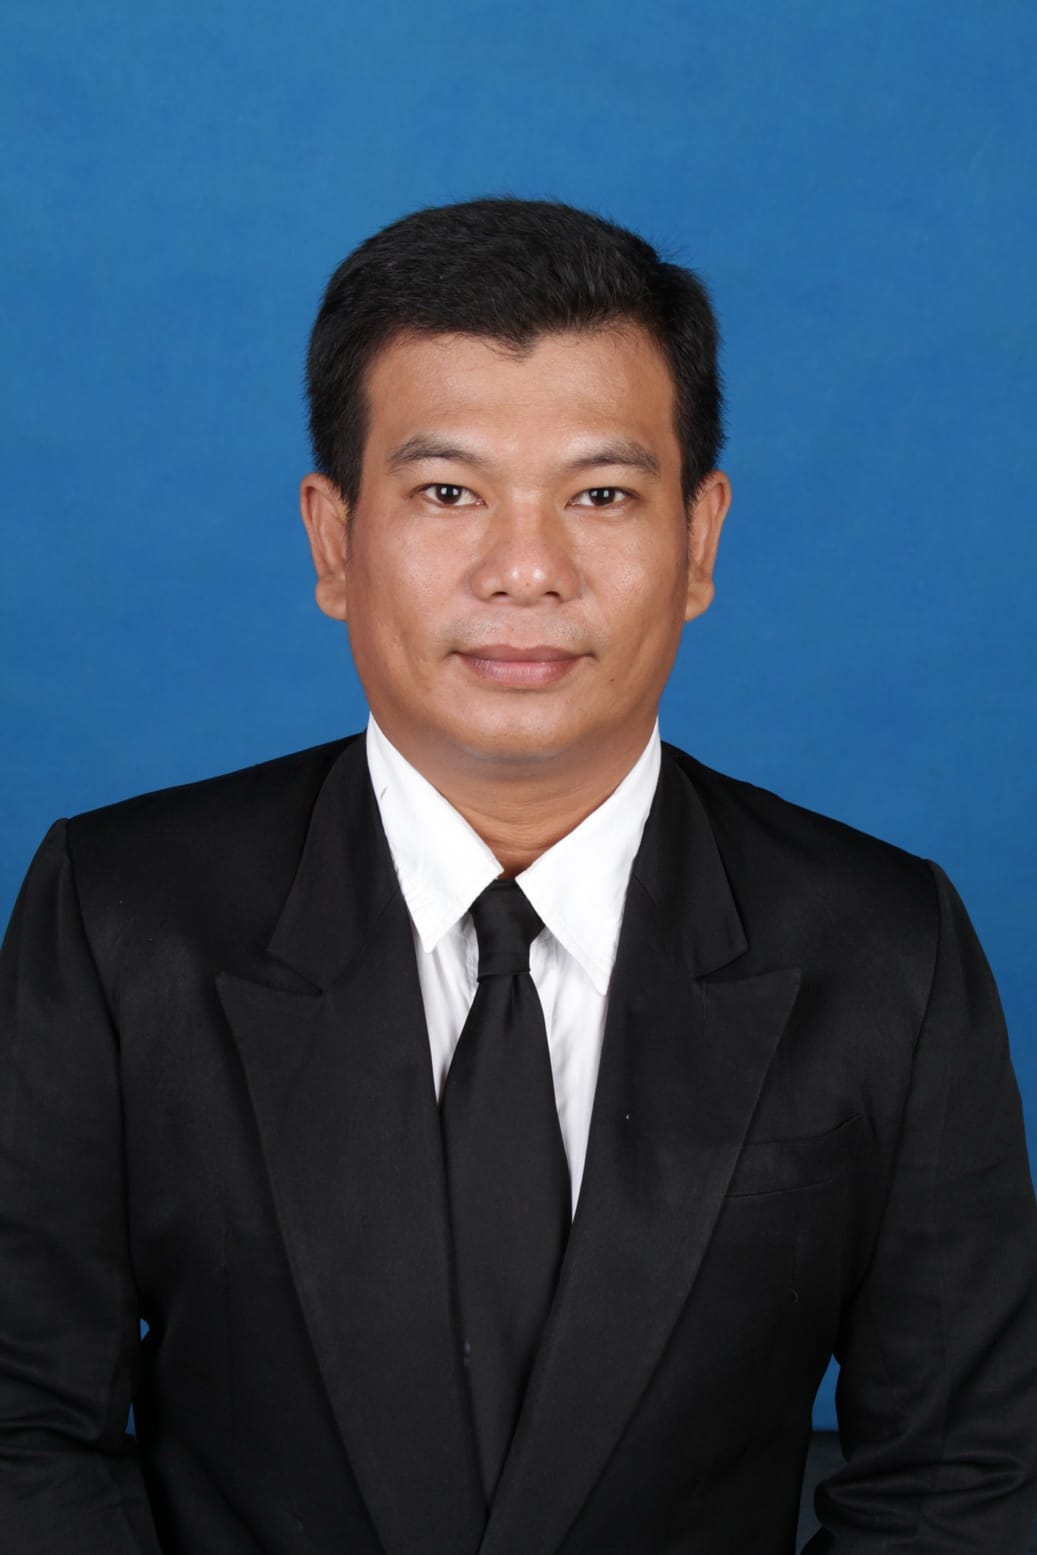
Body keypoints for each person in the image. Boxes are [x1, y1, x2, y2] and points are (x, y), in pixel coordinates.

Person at [1, 197, 1035, 1555]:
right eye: (448, 494)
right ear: (333, 540)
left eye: (600, 495)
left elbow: (959, 1476)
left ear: (699, 542)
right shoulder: (119, 917)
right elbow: (22, 1425)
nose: (527, 570)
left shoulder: (885, 948)